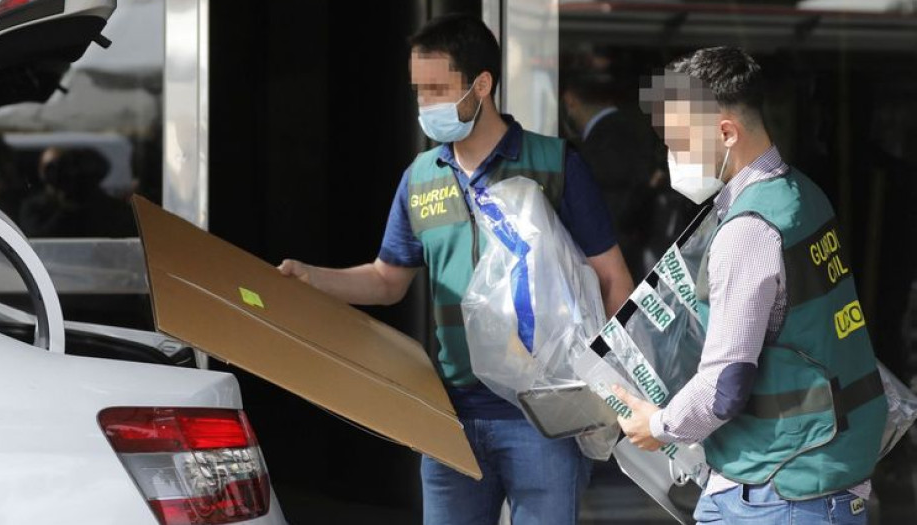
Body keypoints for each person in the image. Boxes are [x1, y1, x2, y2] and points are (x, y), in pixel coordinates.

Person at [278, 14, 633, 525]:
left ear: (481, 85)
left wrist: (609, 390)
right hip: (449, 417)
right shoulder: (421, 178)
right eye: (419, 92)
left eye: (438, 90)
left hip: (545, 418)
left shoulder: (554, 165)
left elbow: (613, 280)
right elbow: (386, 280)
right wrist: (313, 279)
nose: (426, 105)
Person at [613, 47, 886, 525]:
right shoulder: (803, 195)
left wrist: (657, 426)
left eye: (678, 143)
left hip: (777, 492)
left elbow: (724, 386)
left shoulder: (748, 229)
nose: (671, 158)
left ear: (725, 133)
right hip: (824, 477)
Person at [562, 70, 668, 277]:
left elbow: (617, 205)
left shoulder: (608, 140)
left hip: (616, 261)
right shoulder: (629, 130)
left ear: (570, 99)